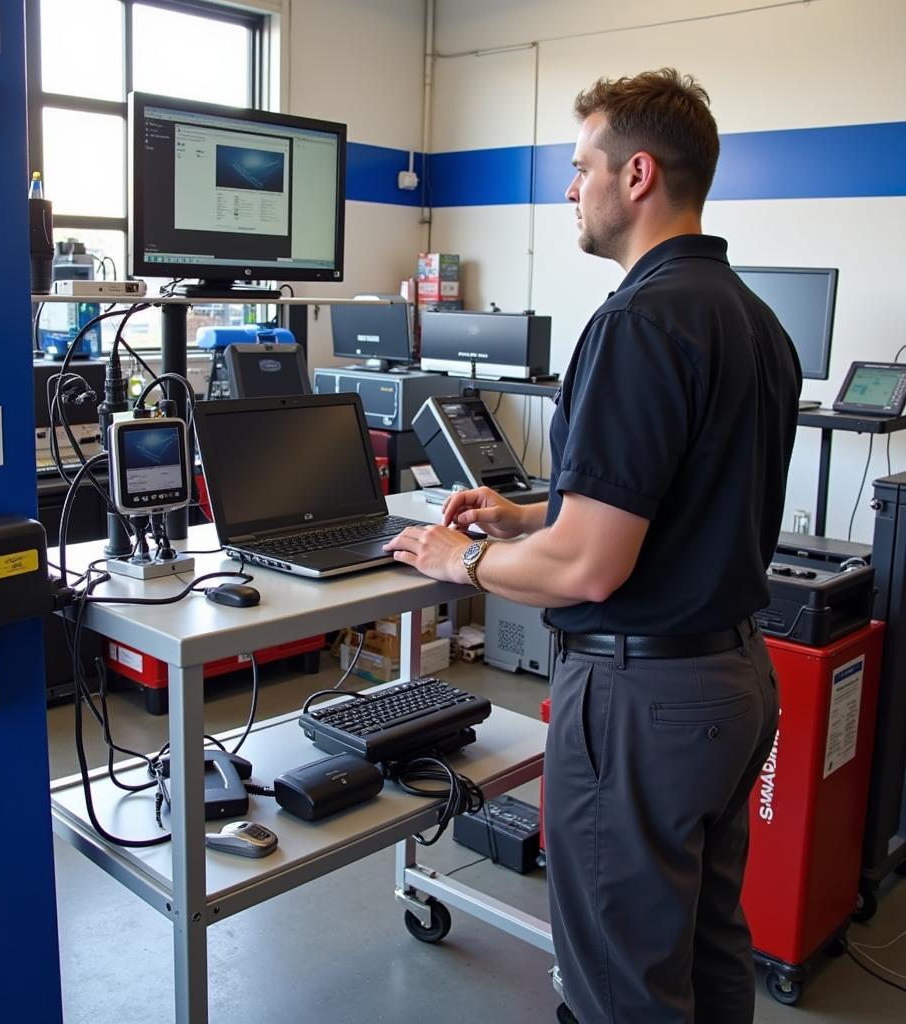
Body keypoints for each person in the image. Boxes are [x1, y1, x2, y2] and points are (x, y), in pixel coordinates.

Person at [384, 68, 801, 1023]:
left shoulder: (638, 323)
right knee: (705, 948)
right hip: (734, 681)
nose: (570, 190)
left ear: (639, 174)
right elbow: (677, 501)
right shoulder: (751, 319)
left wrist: (463, 562)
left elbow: (591, 567)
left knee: (622, 984)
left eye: (581, 168)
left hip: (641, 699)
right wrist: (525, 517)